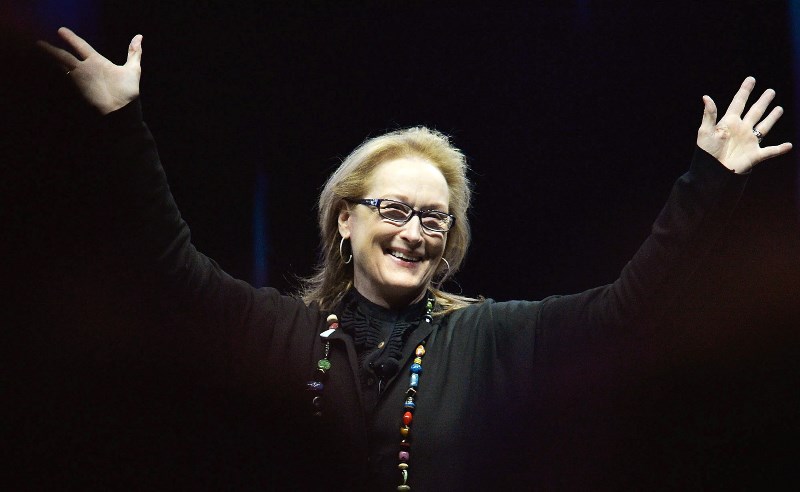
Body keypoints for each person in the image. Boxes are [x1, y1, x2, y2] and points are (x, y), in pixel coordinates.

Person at [37, 27, 792, 490]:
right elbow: (169, 268)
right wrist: (120, 123)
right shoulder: (277, 332)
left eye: (433, 218)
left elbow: (634, 311)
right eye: (393, 210)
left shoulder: (490, 339)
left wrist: (710, 180)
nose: (413, 232)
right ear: (345, 220)